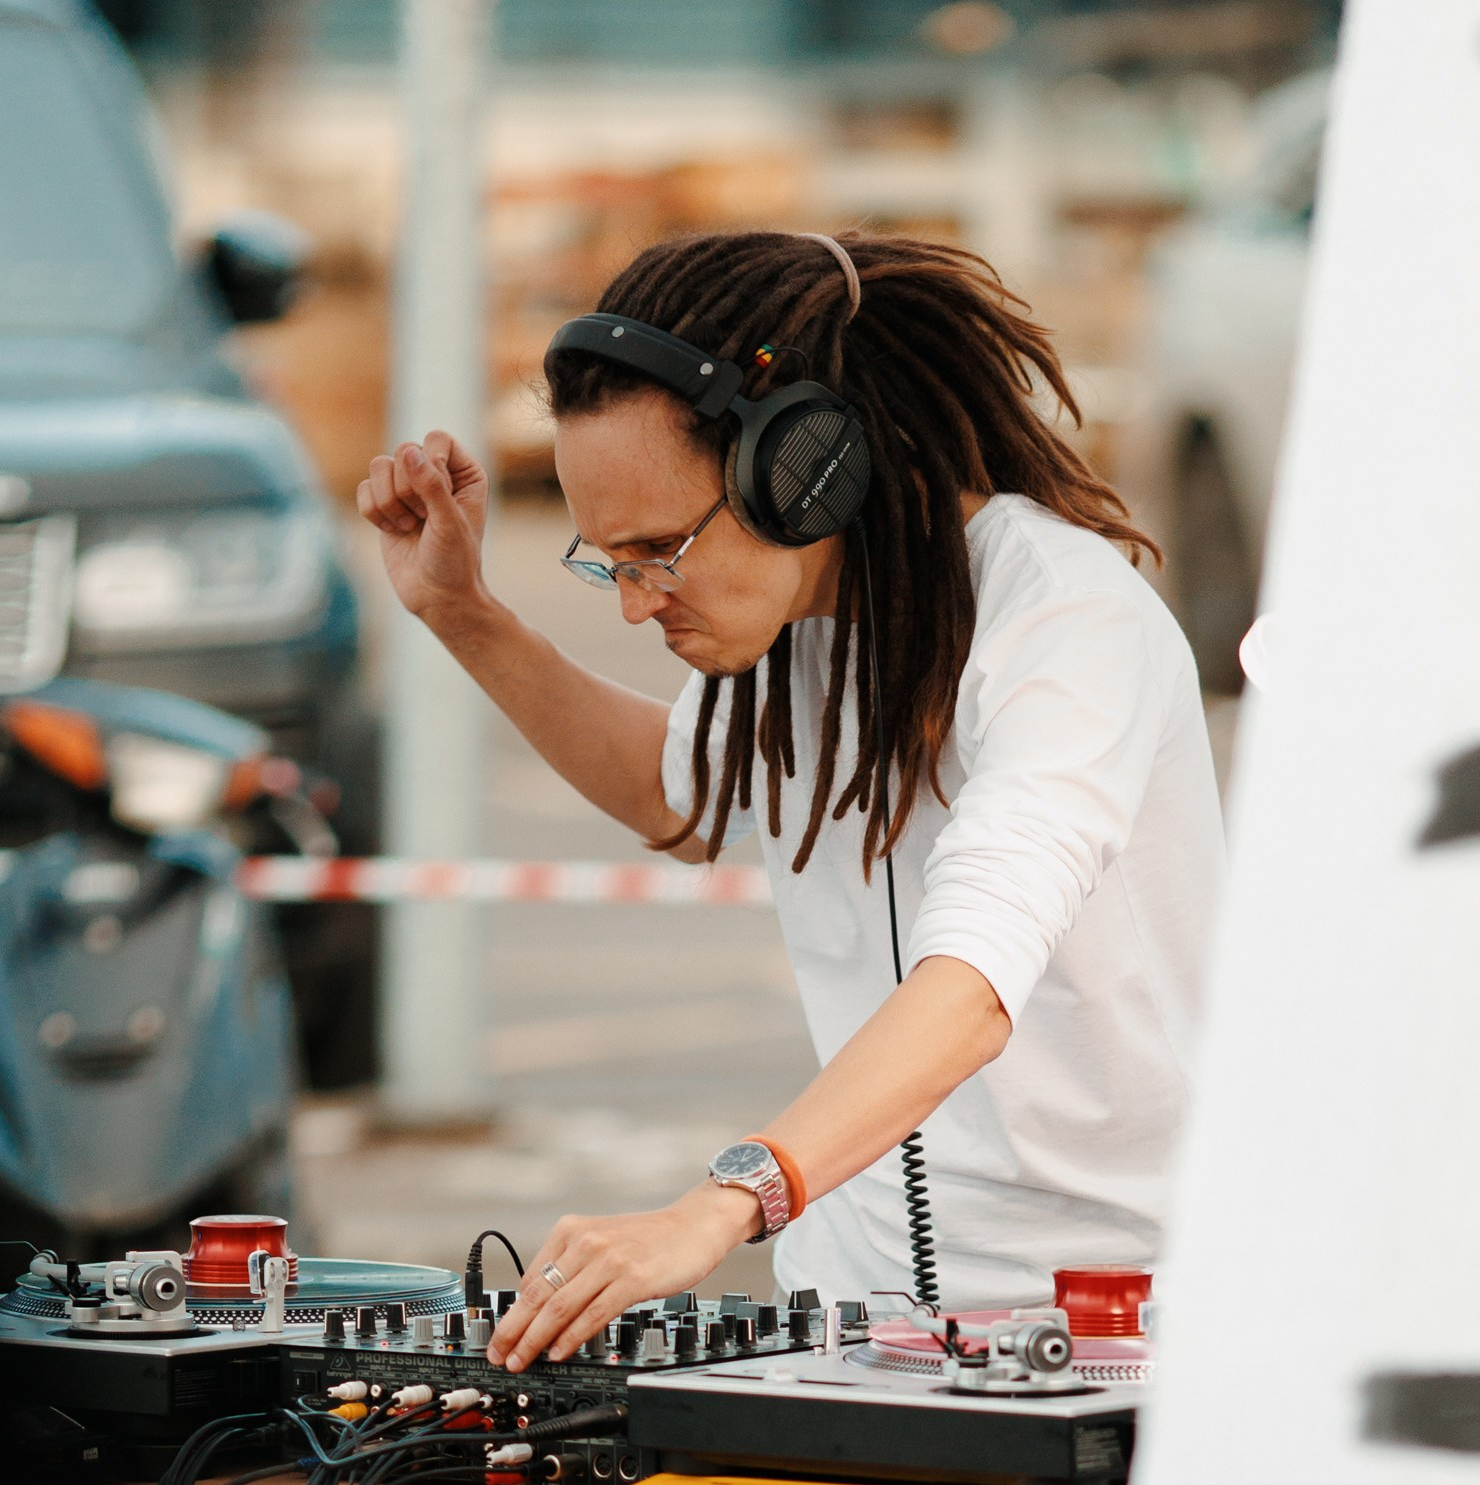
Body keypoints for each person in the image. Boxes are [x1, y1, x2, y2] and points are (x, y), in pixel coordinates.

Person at [357, 227, 1224, 1364]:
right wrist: (463, 614)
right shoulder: (791, 625)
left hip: (1116, 1323)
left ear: (805, 471)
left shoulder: (1067, 621)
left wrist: (721, 1205)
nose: (634, 603)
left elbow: (970, 985)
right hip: (851, 1317)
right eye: (609, 561)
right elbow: (675, 794)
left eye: (658, 550)